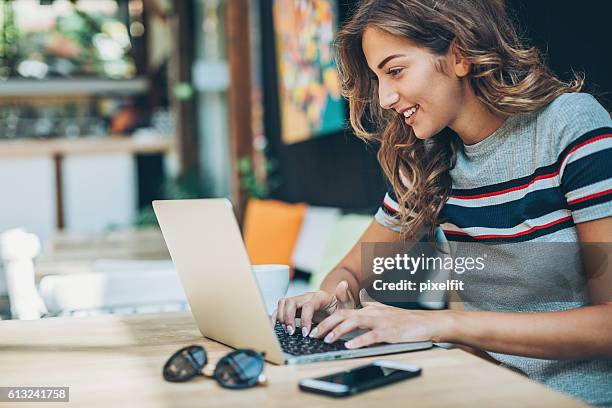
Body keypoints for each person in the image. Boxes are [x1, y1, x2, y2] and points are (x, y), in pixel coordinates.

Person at [272, 0, 612, 406]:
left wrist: (441, 324)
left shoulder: (569, 127)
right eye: (377, 78)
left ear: (459, 54)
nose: (383, 97)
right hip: (483, 389)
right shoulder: (430, 158)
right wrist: (328, 298)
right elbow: (349, 270)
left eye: (395, 71)